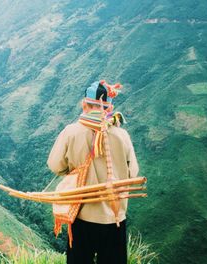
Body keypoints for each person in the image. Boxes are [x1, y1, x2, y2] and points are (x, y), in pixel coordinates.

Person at [47, 80, 139, 264]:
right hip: (115, 218)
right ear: (110, 107)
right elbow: (132, 174)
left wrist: (75, 173)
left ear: (84, 104)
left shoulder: (71, 132)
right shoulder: (122, 135)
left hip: (81, 216)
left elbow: (55, 165)